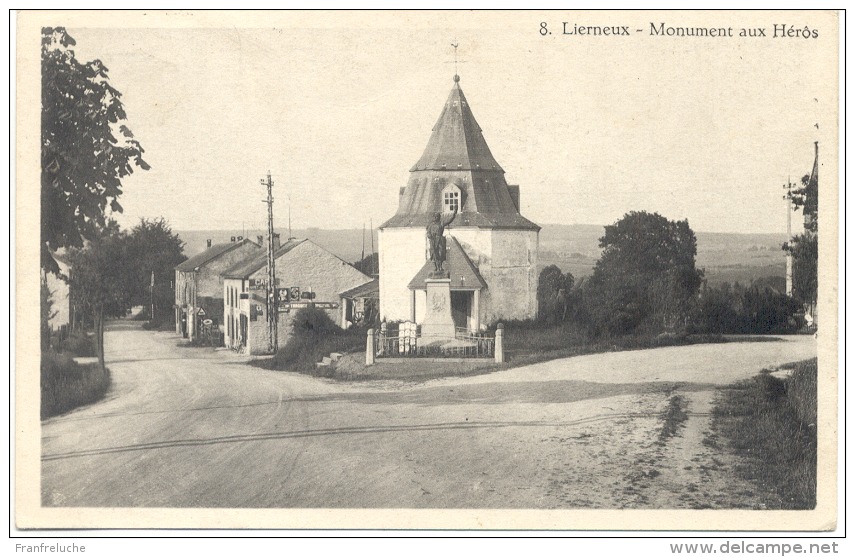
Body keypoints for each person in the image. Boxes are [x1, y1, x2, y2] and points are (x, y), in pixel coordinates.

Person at [426, 208, 457, 272]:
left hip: (440, 240)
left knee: (441, 254)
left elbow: (449, 220)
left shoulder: (441, 223)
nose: (436, 217)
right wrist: (430, 236)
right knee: (433, 254)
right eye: (435, 216)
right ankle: (435, 267)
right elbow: (428, 233)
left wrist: (454, 214)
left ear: (439, 217)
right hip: (432, 241)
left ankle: (440, 267)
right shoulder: (430, 225)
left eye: (437, 216)